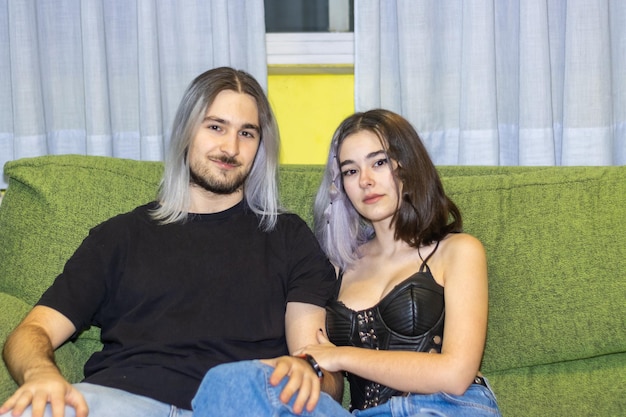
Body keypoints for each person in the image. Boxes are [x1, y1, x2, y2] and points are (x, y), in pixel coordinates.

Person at [0, 67, 342, 417]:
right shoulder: (119, 238)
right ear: (186, 131)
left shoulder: (287, 237)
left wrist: (310, 371)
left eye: (247, 133)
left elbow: (322, 364)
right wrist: (41, 374)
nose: (230, 147)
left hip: (239, 403)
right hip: (122, 400)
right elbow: (32, 331)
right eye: (215, 127)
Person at [192, 109, 502, 417]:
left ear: (408, 167)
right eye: (350, 171)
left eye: (379, 163)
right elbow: (311, 361)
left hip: (445, 408)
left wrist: (340, 357)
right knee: (227, 382)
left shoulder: (458, 251)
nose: (365, 181)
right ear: (340, 186)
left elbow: (455, 374)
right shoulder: (337, 266)